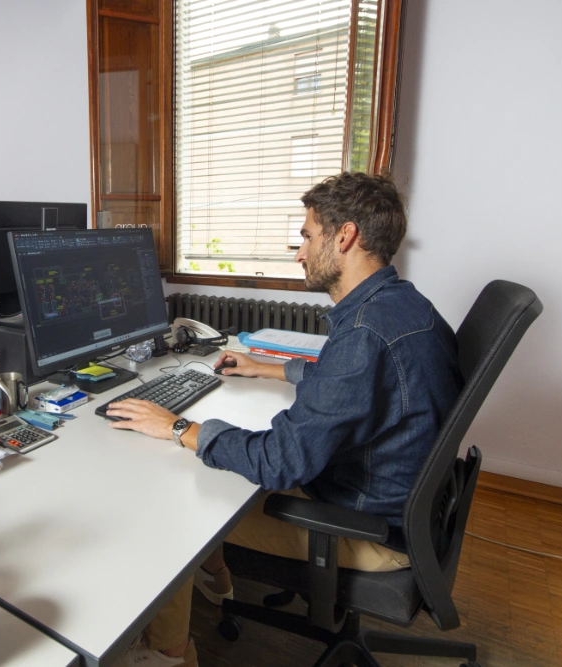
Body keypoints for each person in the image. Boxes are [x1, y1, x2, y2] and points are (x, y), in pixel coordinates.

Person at [107, 172, 464, 667]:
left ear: (345, 236)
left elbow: (279, 461)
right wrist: (269, 368)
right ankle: (215, 578)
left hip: (366, 528)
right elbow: (361, 383)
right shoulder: (401, 305)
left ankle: (169, 654)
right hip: (400, 508)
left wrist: (176, 426)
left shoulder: (363, 334)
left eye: (307, 236)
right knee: (203, 464)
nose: (300, 253)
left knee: (171, 502)